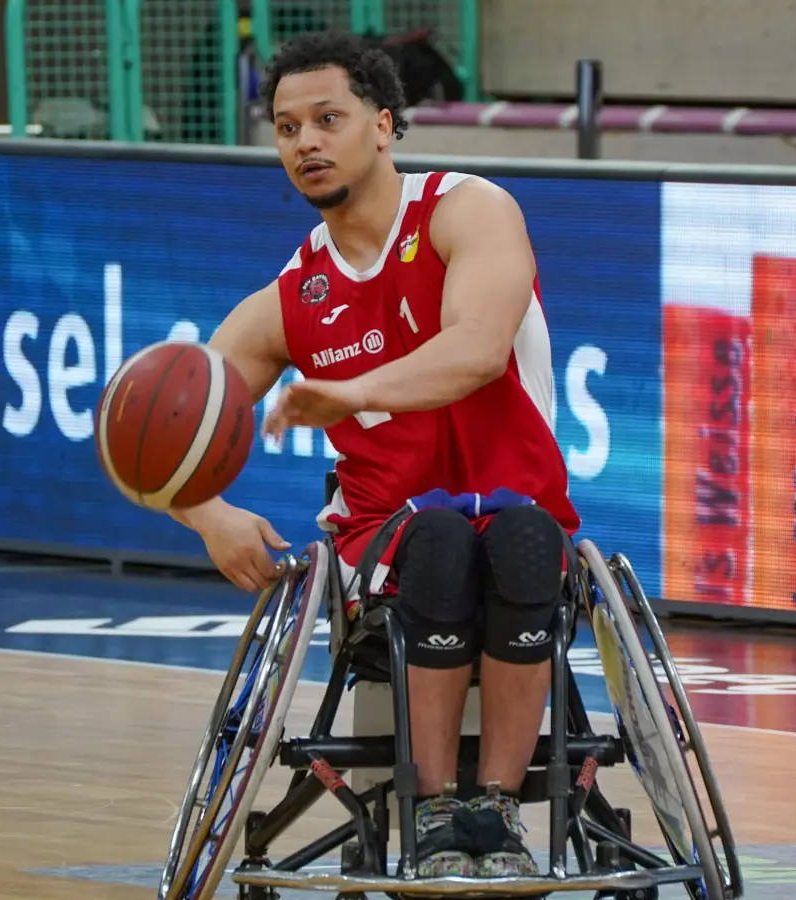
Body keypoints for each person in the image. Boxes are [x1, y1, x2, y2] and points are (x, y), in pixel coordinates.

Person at [168, 31, 579, 880]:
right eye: (286, 129)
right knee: (435, 541)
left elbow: (477, 350)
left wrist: (351, 391)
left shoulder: (469, 210)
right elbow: (173, 421)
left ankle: (496, 810)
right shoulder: (292, 299)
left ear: (384, 125)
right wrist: (203, 512)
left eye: (328, 119)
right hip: (387, 534)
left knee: (518, 538)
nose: (306, 143)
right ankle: (431, 811)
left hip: (521, 509)